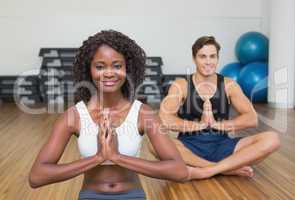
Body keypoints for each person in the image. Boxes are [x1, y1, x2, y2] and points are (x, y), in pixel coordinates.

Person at [29, 30, 188, 200]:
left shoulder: (143, 114)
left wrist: (117, 157)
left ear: (128, 69)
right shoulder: (74, 116)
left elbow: (179, 171)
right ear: (88, 70)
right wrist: (97, 158)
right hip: (91, 196)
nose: (109, 73)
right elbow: (37, 176)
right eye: (100, 66)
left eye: (117, 65)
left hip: (132, 196)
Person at [150, 36, 281, 179]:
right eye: (202, 56)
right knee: (154, 144)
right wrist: (199, 125)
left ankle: (208, 170)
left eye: (212, 56)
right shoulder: (181, 85)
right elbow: (165, 119)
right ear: (194, 59)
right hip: (189, 147)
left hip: (223, 145)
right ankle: (220, 168)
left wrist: (217, 125)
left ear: (217, 58)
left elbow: (252, 118)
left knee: (272, 139)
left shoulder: (229, 85)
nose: (208, 61)